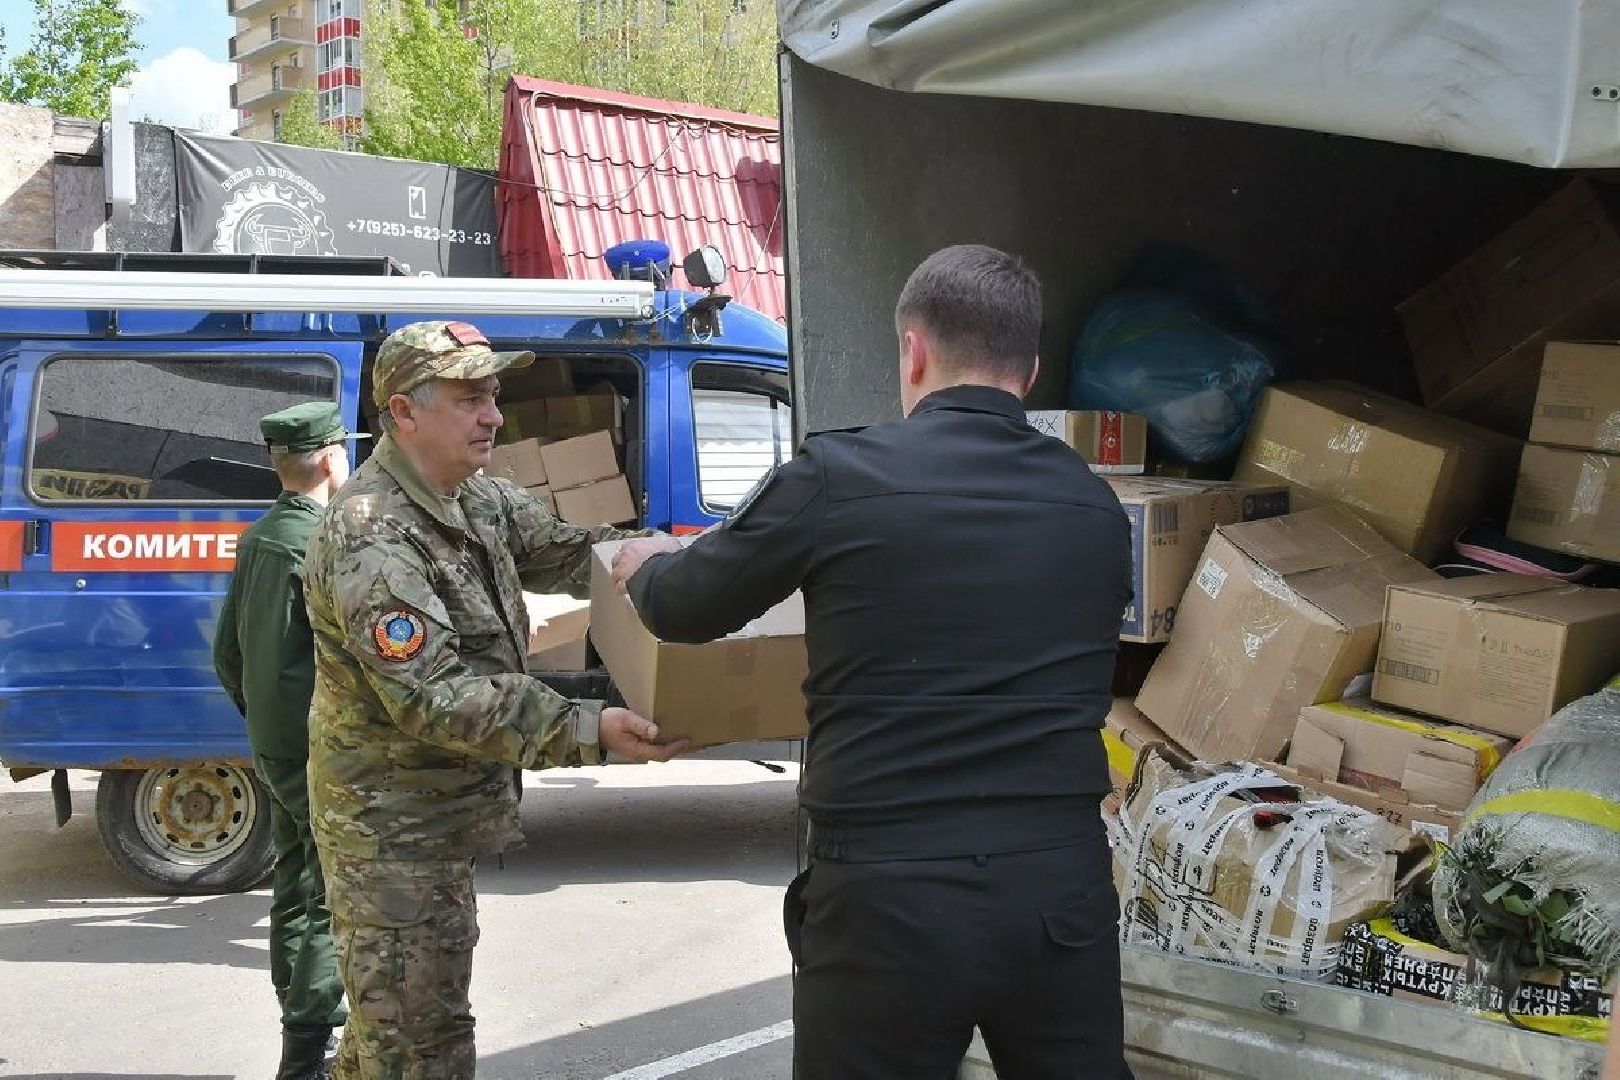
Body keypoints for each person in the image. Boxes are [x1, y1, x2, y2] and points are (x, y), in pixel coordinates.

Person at [613, 245, 1135, 1079]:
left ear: (913, 351)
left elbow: (686, 607)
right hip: (1056, 893)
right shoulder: (1095, 507)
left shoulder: (839, 478)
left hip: (890, 901)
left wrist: (644, 565)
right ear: (1030, 370)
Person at [301, 320, 686, 1079]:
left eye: (494, 395)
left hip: (435, 815)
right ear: (404, 412)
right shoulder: (371, 535)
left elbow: (570, 553)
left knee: (390, 1038)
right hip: (390, 832)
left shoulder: (475, 498)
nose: (494, 416)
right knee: (423, 1049)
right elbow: (437, 698)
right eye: (471, 398)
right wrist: (589, 726)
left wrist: (664, 556)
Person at [214, 400, 364, 1080]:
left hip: (275, 742)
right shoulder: (320, 542)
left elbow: (228, 655)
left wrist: (263, 721)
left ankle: (299, 1016)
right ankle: (309, 1045)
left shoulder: (258, 538)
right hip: (318, 745)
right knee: (327, 886)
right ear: (332, 457)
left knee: (297, 876)